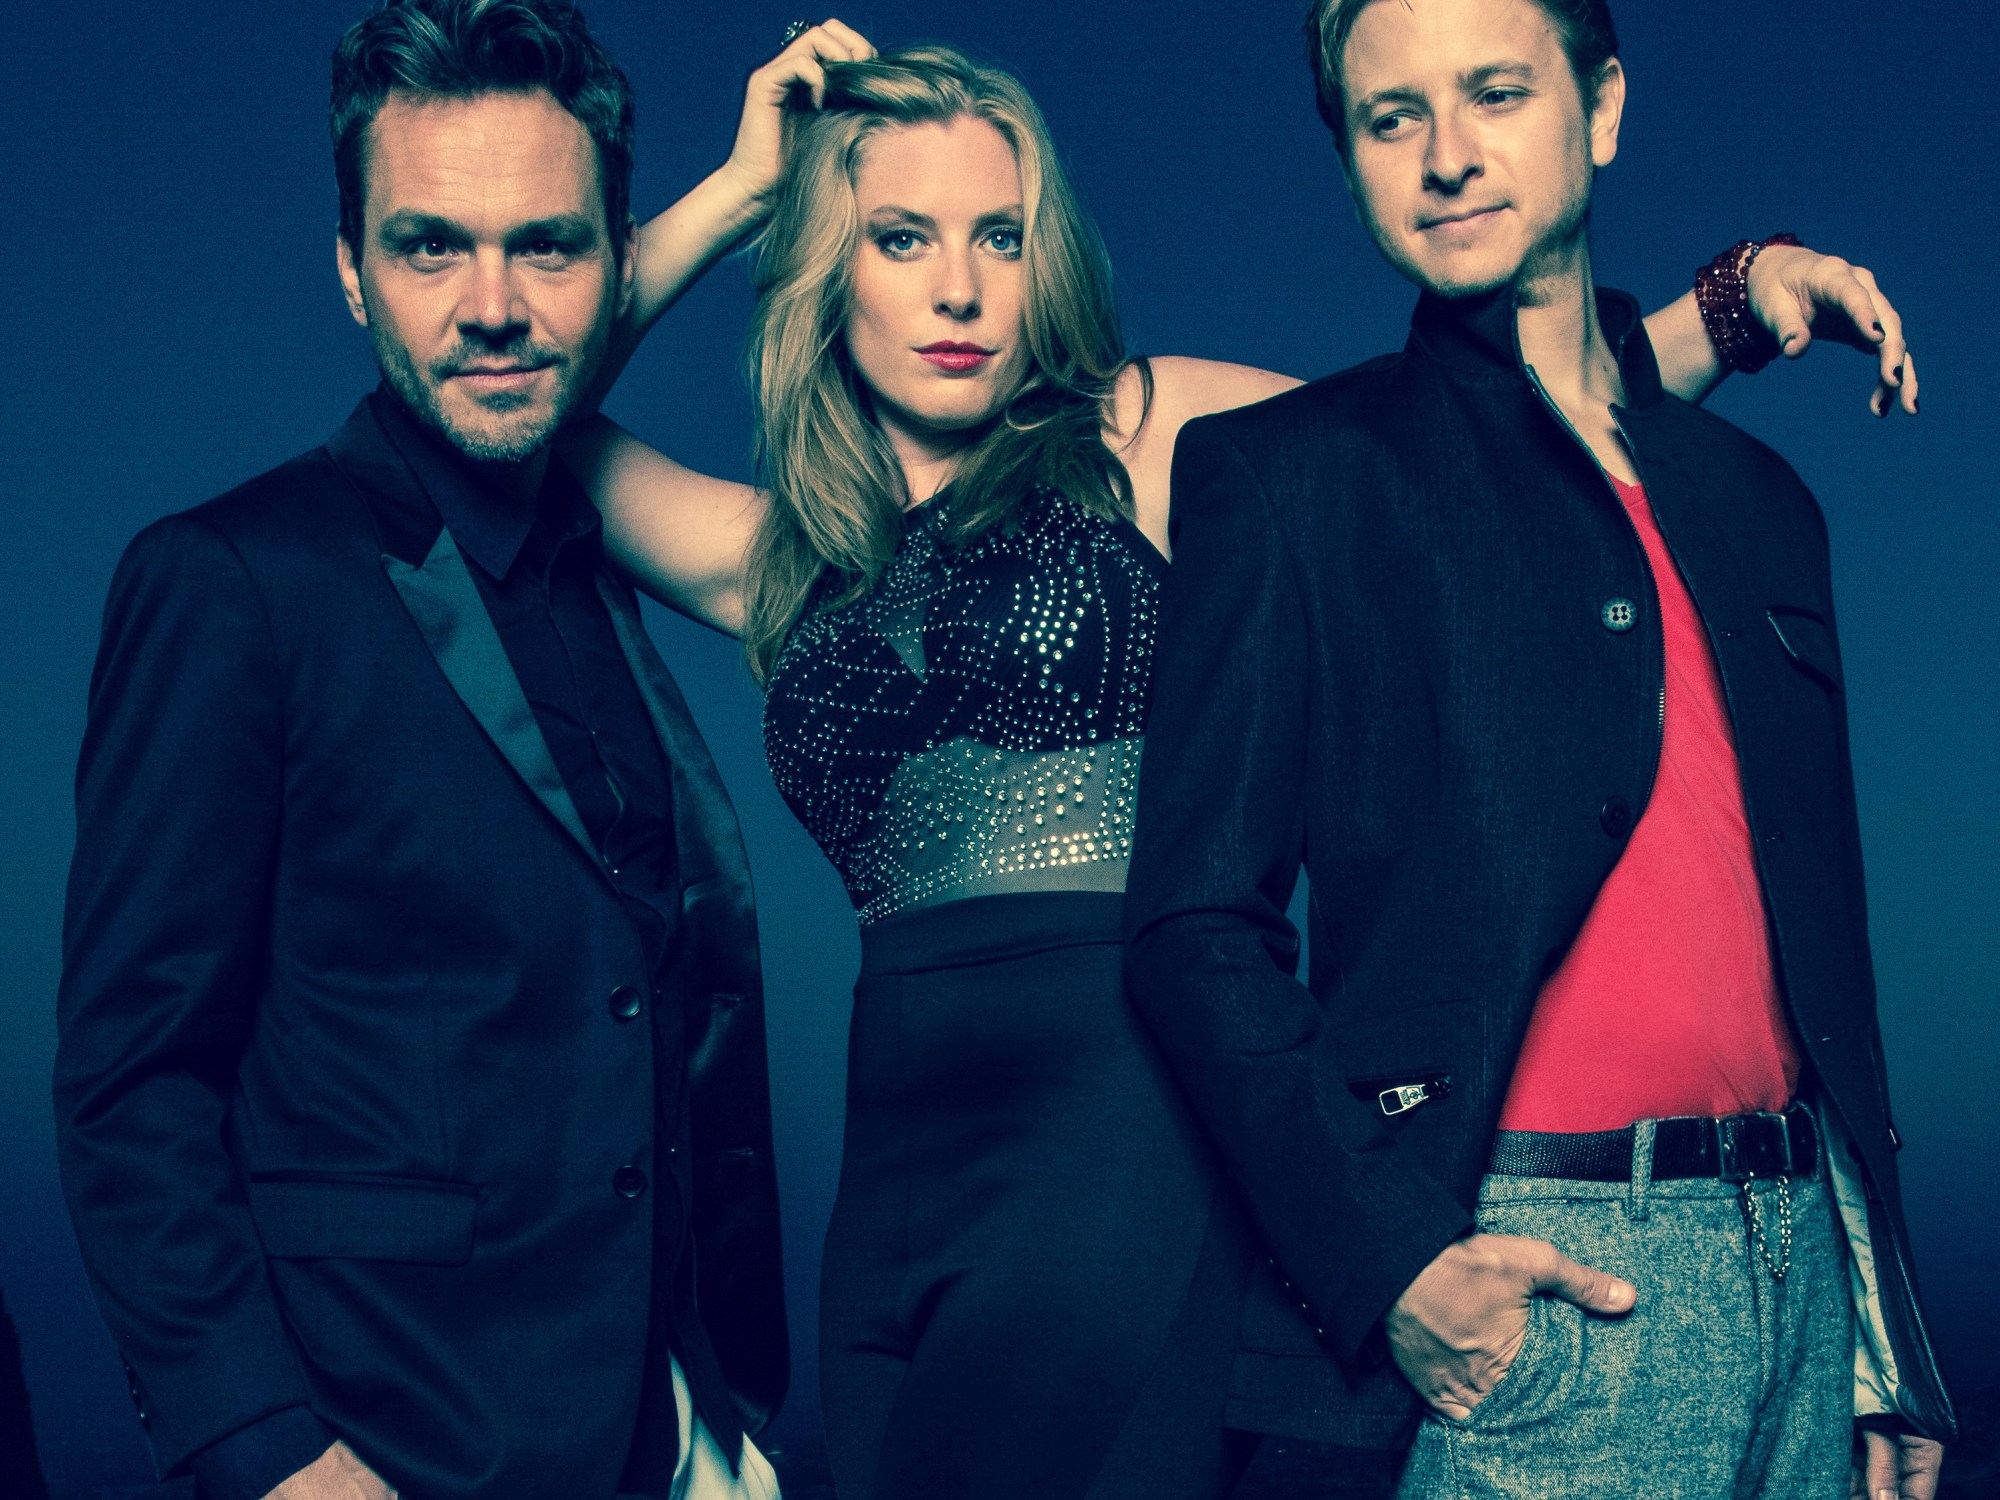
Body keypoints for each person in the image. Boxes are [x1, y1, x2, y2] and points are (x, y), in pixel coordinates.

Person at [571, 20, 1921, 1498]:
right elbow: (516, 400)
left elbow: (1472, 448)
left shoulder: (1143, 434)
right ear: (829, 271)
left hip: (1123, 1136)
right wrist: (740, 192)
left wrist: (1731, 308)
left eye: (1000, 237)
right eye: (901, 238)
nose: (960, 288)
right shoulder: (777, 559)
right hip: (894, 1179)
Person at [1121, 0, 1955, 1496]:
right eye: (1394, 117)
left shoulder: (1765, 501)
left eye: (1496, 93)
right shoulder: (1292, 477)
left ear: (1603, 109)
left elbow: (1821, 961)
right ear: (1351, 160)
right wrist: (1394, 1264)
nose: (1446, 155)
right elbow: (1193, 929)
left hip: (1802, 1270)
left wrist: (1880, 1336)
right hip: (1534, 1279)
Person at [52, 3, 788, 1497]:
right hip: (398, 1439)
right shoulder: (233, 582)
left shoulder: (593, 554)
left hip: (680, 1426)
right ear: (351, 268)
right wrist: (271, 1453)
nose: (491, 306)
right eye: (429, 246)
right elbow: (132, 1085)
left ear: (616, 258)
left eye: (549, 247)